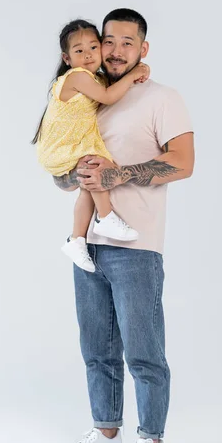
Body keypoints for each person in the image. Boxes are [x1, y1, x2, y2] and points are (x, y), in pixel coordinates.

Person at [50, 9, 195, 443]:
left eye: (125, 42)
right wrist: (80, 175)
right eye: (106, 41)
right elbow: (60, 175)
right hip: (89, 243)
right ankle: (106, 433)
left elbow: (183, 161)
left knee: (144, 352)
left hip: (137, 245)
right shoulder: (91, 98)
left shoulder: (162, 98)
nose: (113, 50)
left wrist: (116, 175)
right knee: (97, 349)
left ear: (143, 50)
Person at [32, 20, 150, 272]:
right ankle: (105, 217)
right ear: (66, 58)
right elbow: (108, 97)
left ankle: (77, 240)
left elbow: (111, 89)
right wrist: (134, 73)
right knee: (93, 164)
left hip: (70, 143)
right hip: (59, 147)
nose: (87, 55)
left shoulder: (94, 78)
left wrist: (135, 73)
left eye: (93, 48)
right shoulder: (77, 77)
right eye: (79, 51)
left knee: (90, 182)